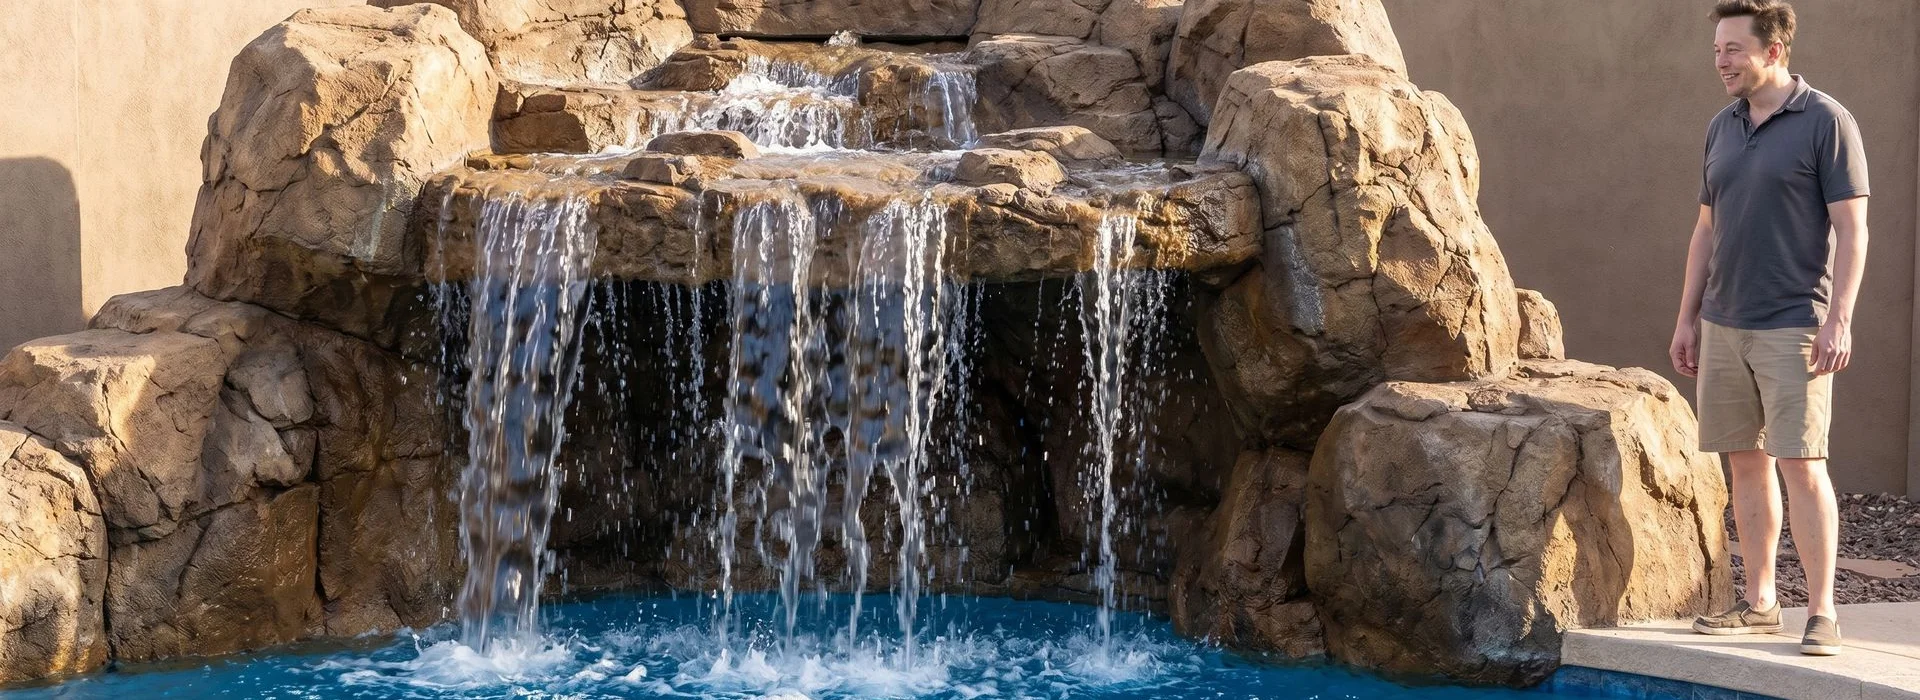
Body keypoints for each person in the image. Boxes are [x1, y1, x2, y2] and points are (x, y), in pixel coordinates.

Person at [1670, 0, 1870, 656]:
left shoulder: (1826, 122)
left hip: (1795, 326)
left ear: (1774, 51)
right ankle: (1760, 603)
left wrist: (1840, 319)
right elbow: (1706, 230)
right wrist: (1688, 317)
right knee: (1745, 464)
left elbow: (1852, 228)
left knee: (1801, 464)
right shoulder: (1721, 127)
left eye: (1734, 49)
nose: (1720, 61)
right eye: (1717, 49)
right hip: (1724, 323)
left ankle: (1822, 611)